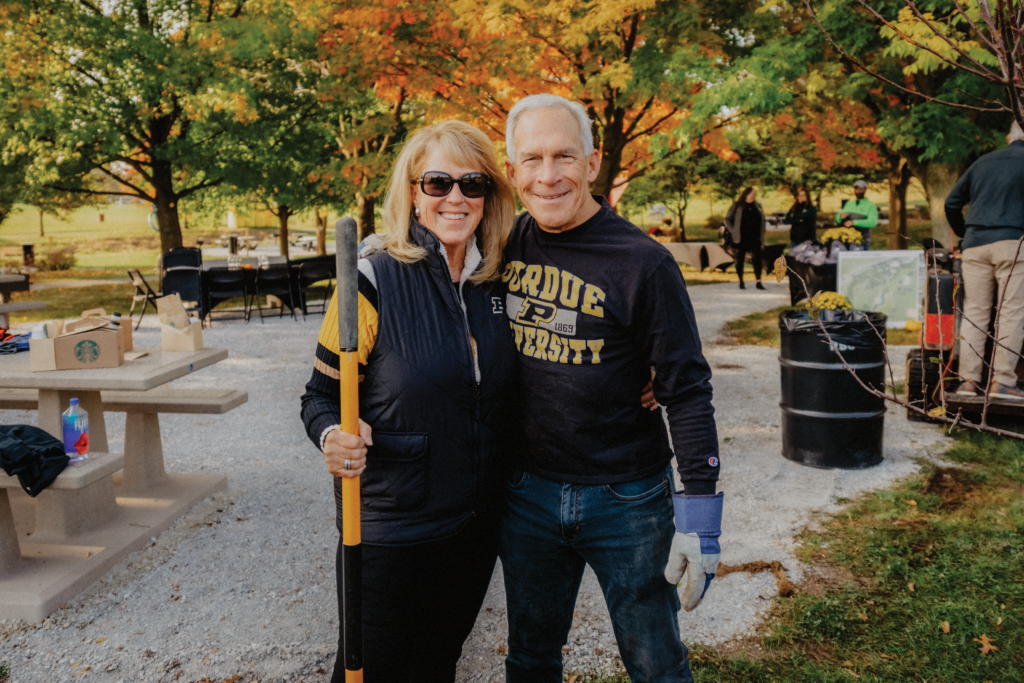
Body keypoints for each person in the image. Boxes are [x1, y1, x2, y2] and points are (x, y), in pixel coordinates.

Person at [500, 93, 722, 683]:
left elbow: (687, 387)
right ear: (511, 171)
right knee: (530, 656)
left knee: (655, 662)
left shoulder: (643, 263)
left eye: (564, 157)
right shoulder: (500, 245)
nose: (548, 176)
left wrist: (701, 519)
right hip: (527, 492)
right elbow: (434, 244)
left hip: (629, 499)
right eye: (532, 160)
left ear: (593, 164)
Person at [299, 120, 521, 681]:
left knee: (437, 663)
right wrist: (332, 436)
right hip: (391, 529)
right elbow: (320, 396)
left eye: (473, 184)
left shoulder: (497, 283)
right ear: (414, 192)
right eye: (438, 182)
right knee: (373, 670)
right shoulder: (369, 279)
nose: (455, 197)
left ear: (489, 197)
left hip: (473, 526)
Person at [945, 120, 1024, 401]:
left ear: (1008, 137)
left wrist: (964, 234)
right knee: (1010, 311)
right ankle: (1002, 382)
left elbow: (951, 203)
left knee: (975, 312)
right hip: (1013, 244)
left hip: (975, 245)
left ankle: (968, 382)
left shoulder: (983, 162)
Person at [724, 186, 766, 290]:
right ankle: (741, 281)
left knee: (757, 259)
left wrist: (762, 235)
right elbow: (727, 219)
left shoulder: (757, 206)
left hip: (755, 237)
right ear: (746, 194)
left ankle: (758, 281)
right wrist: (733, 231)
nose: (754, 196)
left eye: (755, 194)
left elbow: (762, 221)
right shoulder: (737, 205)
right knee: (740, 259)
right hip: (741, 238)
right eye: (752, 194)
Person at [835, 179, 878, 249]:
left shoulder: (871, 205)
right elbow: (837, 219)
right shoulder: (849, 204)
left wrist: (853, 222)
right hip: (845, 240)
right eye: (856, 188)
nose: (858, 191)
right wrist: (840, 216)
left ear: (865, 189)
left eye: (861, 189)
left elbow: (872, 222)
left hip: (862, 239)